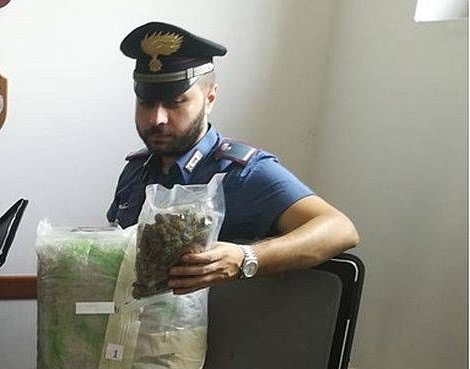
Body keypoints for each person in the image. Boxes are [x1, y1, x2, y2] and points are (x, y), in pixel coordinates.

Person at [109, 22, 360, 294]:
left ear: (210, 98)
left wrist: (245, 258)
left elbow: (340, 229)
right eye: (146, 103)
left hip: (221, 320)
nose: (157, 118)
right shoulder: (136, 171)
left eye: (175, 102)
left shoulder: (243, 173)